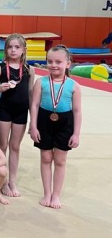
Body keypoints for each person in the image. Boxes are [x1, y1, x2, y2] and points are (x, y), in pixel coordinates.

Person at [29, 45, 82, 209]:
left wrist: (76, 134)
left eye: (58, 62)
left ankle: (56, 195)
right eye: (50, 61)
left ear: (68, 64)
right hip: (44, 122)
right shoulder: (41, 82)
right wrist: (33, 126)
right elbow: (34, 105)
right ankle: (47, 193)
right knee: (45, 158)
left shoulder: (74, 85)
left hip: (65, 124)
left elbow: (77, 111)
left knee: (60, 160)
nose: (53, 65)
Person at [0, 33, 35, 198]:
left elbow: (31, 95)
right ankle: (1, 179)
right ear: (5, 50)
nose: (13, 50)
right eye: (10, 47)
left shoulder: (29, 70)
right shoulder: (0, 68)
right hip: (4, 110)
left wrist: (33, 120)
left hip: (21, 112)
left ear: (24, 50)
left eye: (17, 47)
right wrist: (0, 88)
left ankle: (12, 181)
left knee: (15, 146)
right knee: (2, 144)